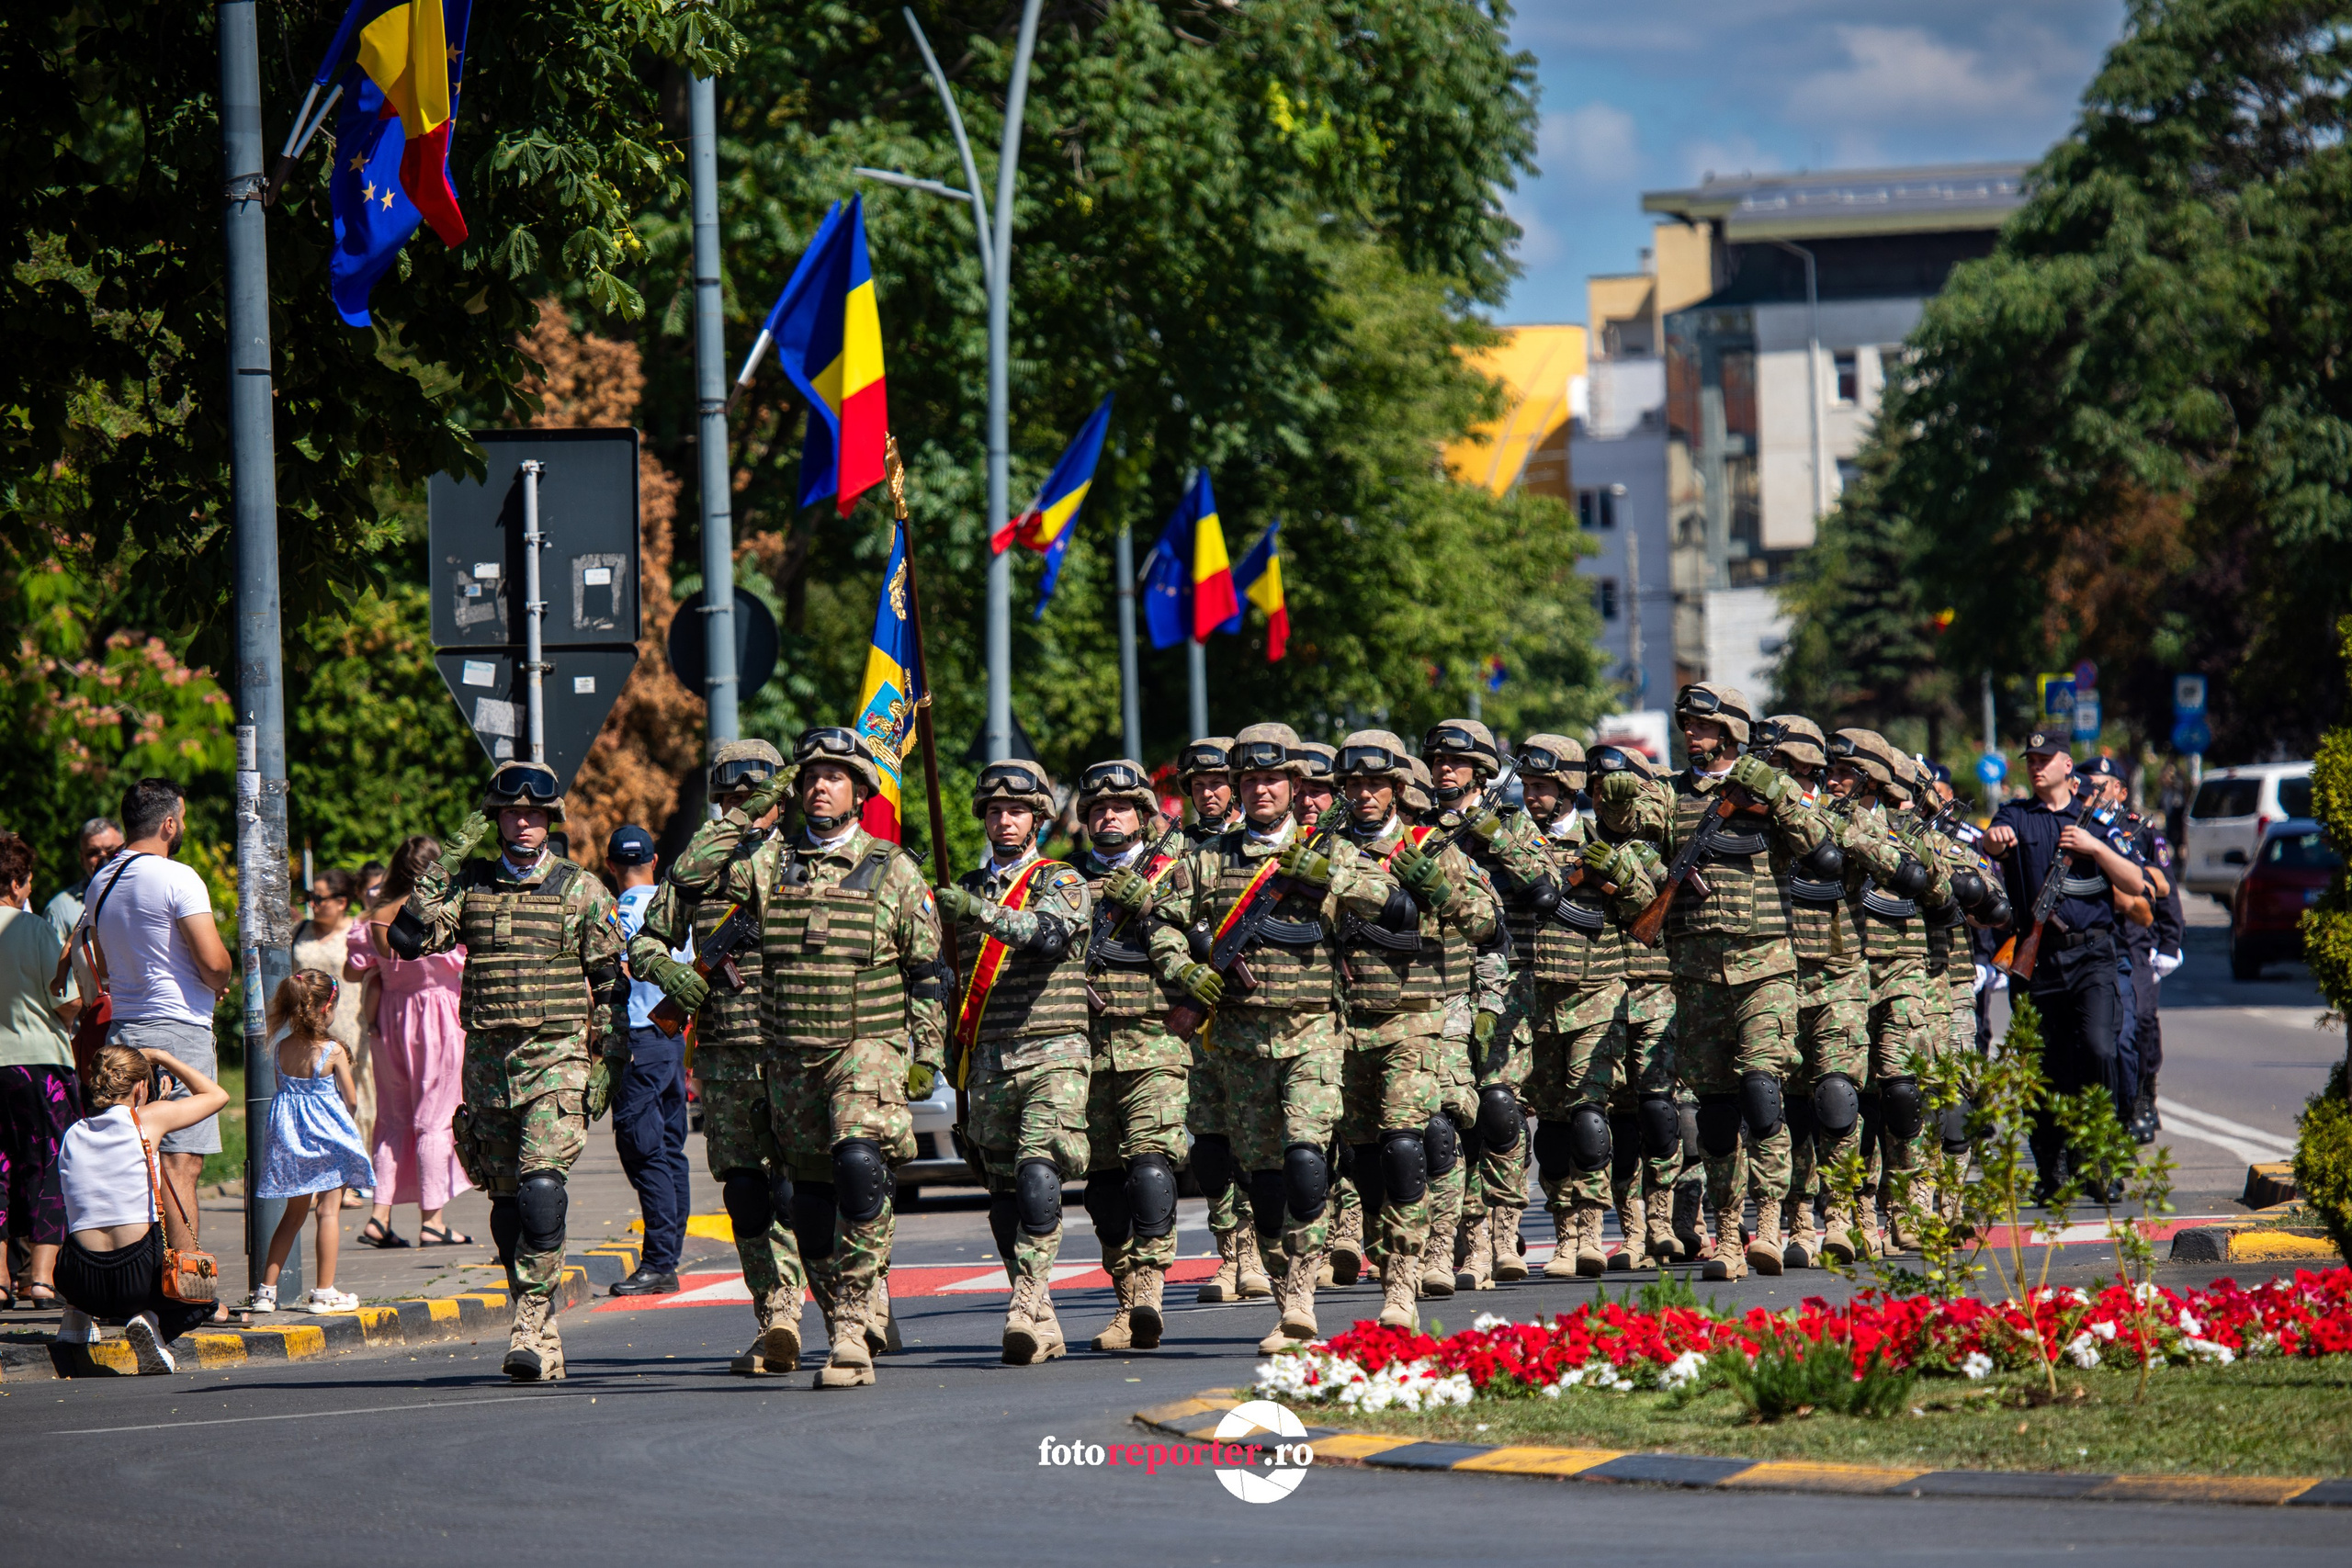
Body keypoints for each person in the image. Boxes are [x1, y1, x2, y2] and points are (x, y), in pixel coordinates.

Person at [643, 727, 947, 1390]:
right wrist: (743, 821)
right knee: (769, 1193)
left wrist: (927, 1050)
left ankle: (857, 1312)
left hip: (850, 1045)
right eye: (806, 777)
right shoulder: (757, 861)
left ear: (859, 790)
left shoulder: (879, 866)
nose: (817, 787)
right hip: (761, 1048)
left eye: (832, 776)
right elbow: (680, 890)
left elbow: (926, 968)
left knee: (856, 1167)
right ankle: (780, 1314)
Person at [1135, 721, 1396, 1353]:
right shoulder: (1209, 859)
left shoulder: (1327, 850)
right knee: (1267, 1182)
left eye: (1272, 778)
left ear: (1296, 784)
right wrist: (1185, 970)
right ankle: (1285, 1297)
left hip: (1312, 1035)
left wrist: (1328, 876)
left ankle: (1303, 1299)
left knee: (1308, 1164)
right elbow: (1161, 922)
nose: (1260, 789)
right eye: (1248, 778)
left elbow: (1385, 897)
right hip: (1239, 1046)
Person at [1598, 685, 1827, 1281]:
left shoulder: (1763, 789)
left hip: (1765, 967)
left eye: (1701, 724)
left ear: (1729, 730)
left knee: (1762, 1092)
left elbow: (1813, 840)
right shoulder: (1673, 794)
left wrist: (1776, 790)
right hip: (1697, 975)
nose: (1690, 734)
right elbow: (1632, 823)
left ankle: (1771, 1218)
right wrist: (1616, 796)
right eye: (1687, 724)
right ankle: (1729, 1227)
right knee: (1718, 1111)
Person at [411, 761, 628, 1382]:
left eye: (534, 813)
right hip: (487, 1068)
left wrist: (609, 1060)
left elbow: (610, 982)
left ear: (549, 820)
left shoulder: (580, 888)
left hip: (556, 1059)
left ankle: (529, 1324)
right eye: (511, 812)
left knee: (540, 1190)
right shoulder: (470, 885)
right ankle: (540, 1321)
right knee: (507, 1205)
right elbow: (411, 931)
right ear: (495, 819)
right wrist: (455, 846)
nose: (524, 822)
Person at [630, 740, 806, 1375]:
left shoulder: (811, 858)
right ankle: (777, 1315)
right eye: (729, 800)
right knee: (749, 1191)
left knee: (816, 1187)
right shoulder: (697, 868)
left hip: (807, 1047)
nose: (740, 812)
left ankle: (858, 1308)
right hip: (731, 1049)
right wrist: (673, 976)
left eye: (752, 800)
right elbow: (646, 943)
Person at [1329, 729, 1494, 1328]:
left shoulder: (1429, 846)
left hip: (1415, 1022)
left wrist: (1432, 886)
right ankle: (1383, 1246)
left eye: (1375, 783)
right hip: (1343, 1027)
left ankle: (1402, 1286)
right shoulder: (1320, 849)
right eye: (1353, 784)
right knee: (1364, 1163)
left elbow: (1484, 922)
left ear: (1398, 788)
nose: (1364, 794)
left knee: (1405, 1145)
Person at [936, 761, 1093, 1363]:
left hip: (1053, 1050)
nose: (1005, 820)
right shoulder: (965, 889)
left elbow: (1048, 934)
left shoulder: (1061, 879)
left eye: (1018, 810)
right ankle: (1041, 1311)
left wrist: (980, 914)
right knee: (1002, 1190)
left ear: (1038, 819)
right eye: (996, 811)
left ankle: (1026, 1300)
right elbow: (941, 976)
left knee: (1037, 1171)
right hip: (988, 1059)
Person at [74, 779, 233, 1269]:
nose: (181, 826)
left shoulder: (101, 882)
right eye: (180, 819)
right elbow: (214, 962)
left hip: (124, 1030)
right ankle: (187, 1284)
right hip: (177, 1029)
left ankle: (135, 1275)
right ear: (169, 823)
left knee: (132, 1159)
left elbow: (102, 958)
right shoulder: (177, 877)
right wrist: (219, 978)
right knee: (180, 1161)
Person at [1983, 733, 2144, 1198]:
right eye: (2030, 759)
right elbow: (1992, 847)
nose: (2036, 767)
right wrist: (1996, 841)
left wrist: (2095, 847)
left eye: (2044, 759)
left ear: (2066, 764)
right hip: (2039, 960)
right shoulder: (2016, 815)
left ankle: (2101, 1161)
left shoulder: (2093, 818)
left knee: (2099, 1050)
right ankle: (2051, 1165)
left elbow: (2134, 880)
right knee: (2044, 1066)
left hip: (2093, 954)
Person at [1067, 758, 1190, 1352]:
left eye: (1119, 807)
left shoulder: (1176, 871)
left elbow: (1206, 940)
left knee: (1149, 1169)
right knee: (1102, 1189)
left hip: (1153, 1041)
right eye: (1096, 809)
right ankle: (1122, 1300)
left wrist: (1148, 908)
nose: (1107, 816)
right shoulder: (1059, 882)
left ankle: (1149, 1293)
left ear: (1143, 816)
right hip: (1083, 1050)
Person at [1423, 718, 1545, 1288]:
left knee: (1499, 1109)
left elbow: (1546, 885)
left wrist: (1492, 832)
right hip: (1441, 982)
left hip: (1507, 981)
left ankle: (1501, 1233)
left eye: (1456, 761)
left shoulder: (1512, 822)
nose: (1445, 769)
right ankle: (1464, 1240)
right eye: (1437, 760)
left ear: (1481, 770)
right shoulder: (1420, 829)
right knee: (1449, 1115)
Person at [1758, 716, 1871, 1269]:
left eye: (1781, 765)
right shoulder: (1749, 815)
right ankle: (1798, 1216)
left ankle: (1845, 1212)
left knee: (1834, 1096)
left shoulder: (1839, 815)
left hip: (1836, 974)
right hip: (1773, 971)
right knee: (1784, 1104)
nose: (1771, 774)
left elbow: (1881, 859)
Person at [52, 1042, 229, 1372]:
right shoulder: (147, 1119)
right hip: (135, 1279)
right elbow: (217, 1096)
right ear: (140, 1087)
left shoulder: (73, 1133)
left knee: (87, 1228)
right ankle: (151, 1322)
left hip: (76, 1276)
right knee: (200, 1299)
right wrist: (162, 1056)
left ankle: (75, 1315)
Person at [1587, 743, 1693, 1267]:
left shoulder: (1667, 841)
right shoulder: (1579, 842)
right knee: (1617, 1118)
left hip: (1661, 987)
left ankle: (1667, 1221)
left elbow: (1661, 900)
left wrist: (1624, 871)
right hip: (1604, 990)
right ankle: (1630, 1230)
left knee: (1659, 1110)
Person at [1170, 734, 1263, 1301]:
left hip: (1254, 1008)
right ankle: (1232, 1251)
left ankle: (1266, 1244)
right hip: (1194, 1007)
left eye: (1217, 782)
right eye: (1198, 785)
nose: (1209, 793)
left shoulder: (1249, 844)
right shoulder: (1170, 851)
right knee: (1209, 1140)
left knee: (1260, 1134)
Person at [346, 836, 472, 1248]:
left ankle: (378, 1218)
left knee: (393, 1117)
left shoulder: (376, 916)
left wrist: (385, 971)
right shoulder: (444, 915)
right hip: (440, 1017)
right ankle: (432, 1219)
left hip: (391, 1018)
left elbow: (354, 969)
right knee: (434, 1118)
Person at [248, 972, 372, 1313]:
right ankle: (324, 1291)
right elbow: (350, 1099)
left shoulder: (282, 1048)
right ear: (326, 1007)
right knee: (328, 1211)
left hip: (290, 1141)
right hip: (328, 1141)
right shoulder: (332, 1051)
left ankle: (265, 1292)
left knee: (292, 1216)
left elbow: (285, 1091)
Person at [1, 830, 83, 1309]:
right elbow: (67, 1002)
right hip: (39, 1064)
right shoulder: (33, 930)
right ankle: (41, 1278)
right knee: (53, 1167)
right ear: (16, 883)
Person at [605, 823, 686, 1297]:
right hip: (673, 1035)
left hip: (636, 1039)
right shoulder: (676, 909)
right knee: (670, 1147)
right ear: (655, 861)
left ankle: (659, 1261)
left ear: (611, 865)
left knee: (643, 1147)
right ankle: (669, 1253)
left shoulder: (612, 916)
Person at [293, 867, 372, 1154]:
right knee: (313, 1100)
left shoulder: (358, 931)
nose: (312, 904)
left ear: (341, 902)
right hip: (307, 1033)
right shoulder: (299, 931)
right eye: (309, 897)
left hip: (352, 1030)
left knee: (355, 1099)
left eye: (319, 898)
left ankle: (354, 1171)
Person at [43, 817, 124, 948]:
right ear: (82, 859)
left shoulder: (147, 895)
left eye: (111, 851)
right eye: (93, 853)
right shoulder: (59, 909)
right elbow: (52, 964)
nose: (103, 858)